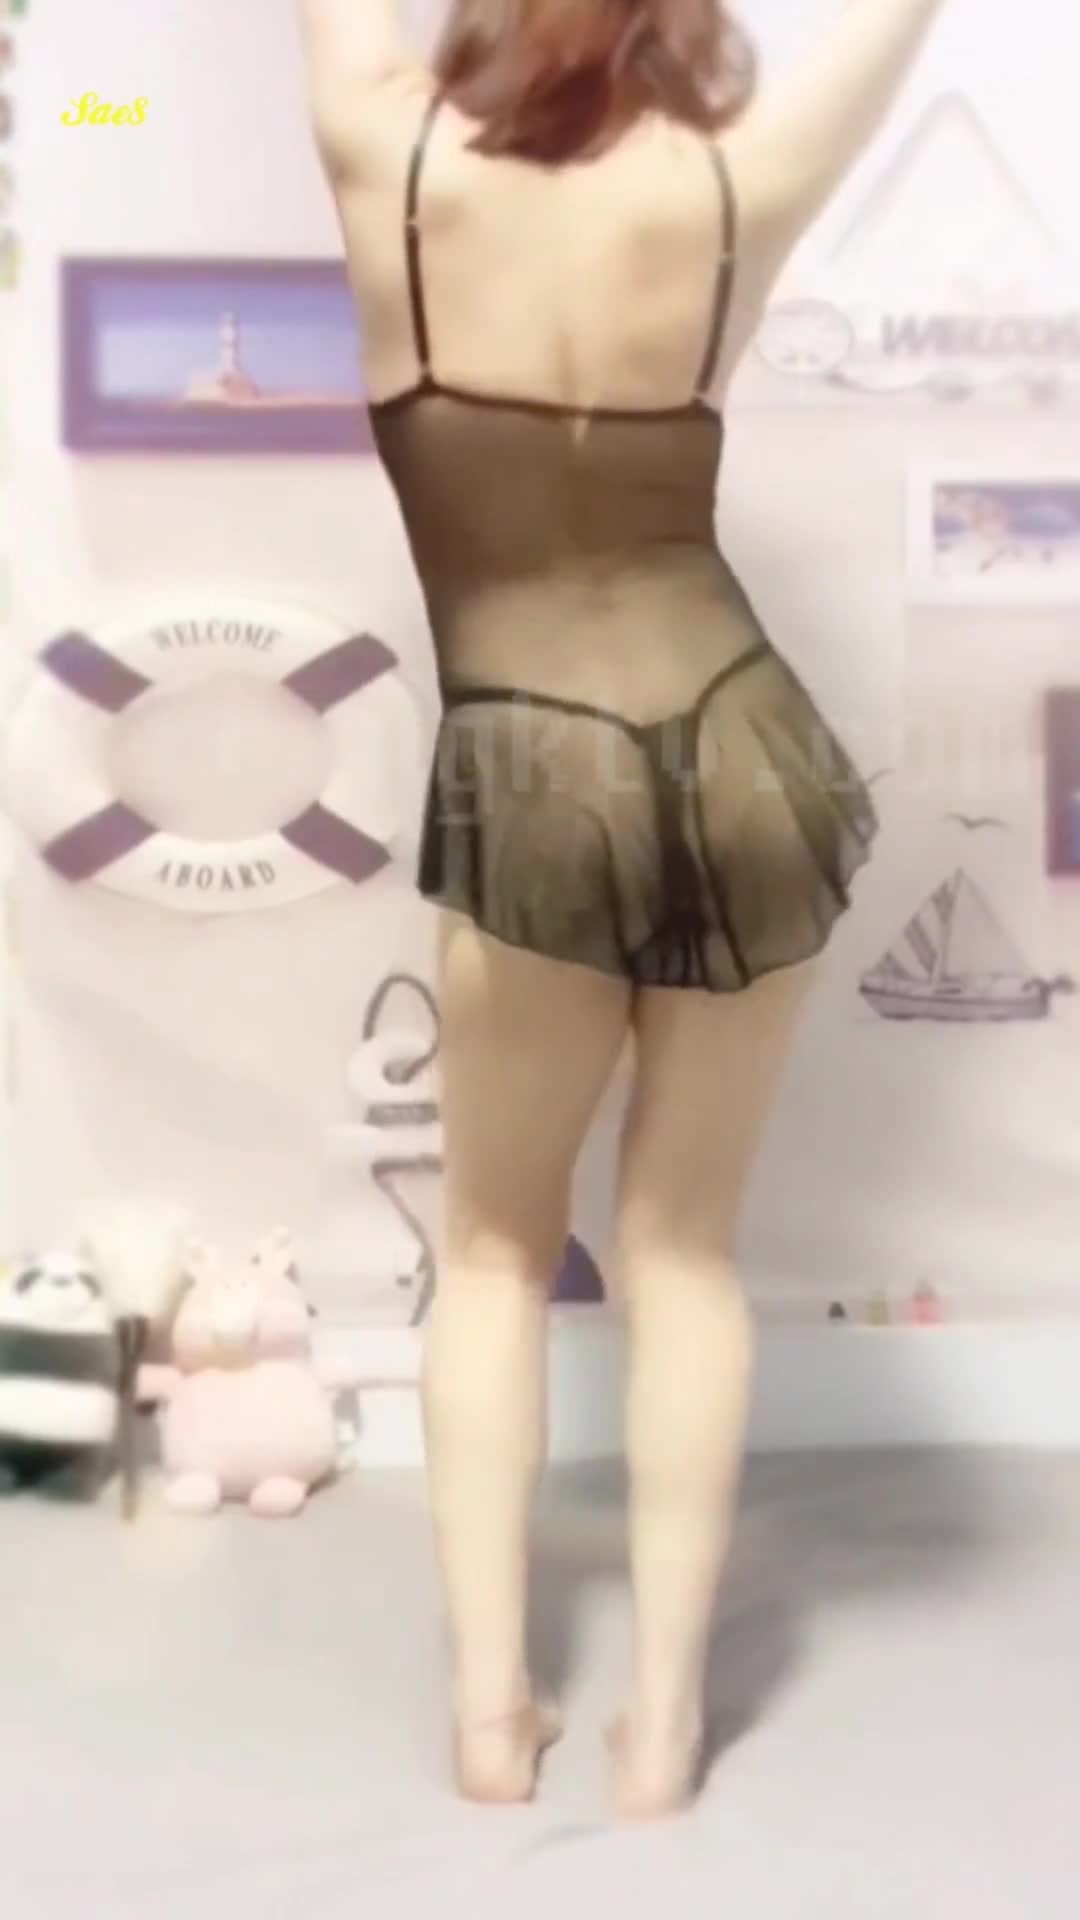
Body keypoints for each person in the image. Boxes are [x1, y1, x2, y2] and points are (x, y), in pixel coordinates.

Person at [299, 0, 945, 1818]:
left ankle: (491, 1722)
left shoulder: (384, 148)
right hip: (745, 741)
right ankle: (662, 1733)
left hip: (533, 768)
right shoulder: (741, 179)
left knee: (497, 1258)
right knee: (684, 1256)